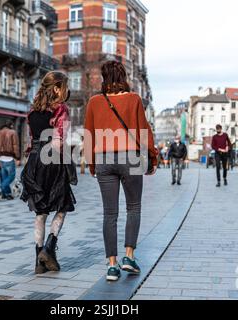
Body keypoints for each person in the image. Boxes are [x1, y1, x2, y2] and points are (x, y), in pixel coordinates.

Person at [84, 60, 158, 282]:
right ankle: (129, 256)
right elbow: (144, 130)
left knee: (110, 213)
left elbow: (89, 134)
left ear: (104, 78)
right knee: (133, 207)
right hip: (131, 158)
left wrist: (91, 163)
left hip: (104, 159)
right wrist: (152, 158)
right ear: (123, 76)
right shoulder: (134, 99)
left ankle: (112, 265)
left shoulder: (94, 102)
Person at [20, 71, 77, 275]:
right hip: (52, 160)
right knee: (62, 207)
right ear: (56, 88)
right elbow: (61, 140)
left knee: (40, 212)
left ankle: (38, 261)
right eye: (64, 87)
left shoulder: (32, 111)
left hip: (34, 162)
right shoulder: (61, 109)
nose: (65, 91)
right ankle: (49, 248)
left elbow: (30, 141)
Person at [0, 120, 21, 200]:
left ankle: (7, 194)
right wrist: (18, 158)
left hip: (0, 158)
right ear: (11, 125)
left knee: (5, 177)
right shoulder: (13, 132)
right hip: (9, 158)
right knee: (11, 176)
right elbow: (15, 146)